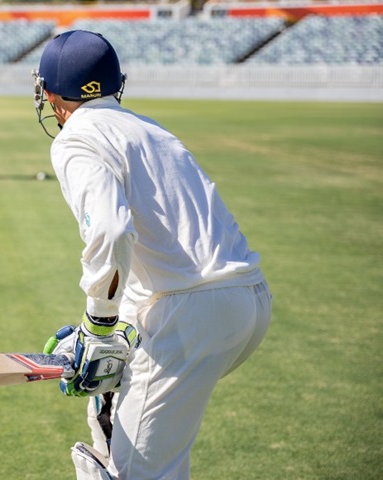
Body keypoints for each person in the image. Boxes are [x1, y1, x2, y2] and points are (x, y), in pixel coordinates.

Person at [33, 31, 272, 479]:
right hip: (249, 301)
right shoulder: (151, 128)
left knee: (140, 473)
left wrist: (99, 324)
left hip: (187, 315)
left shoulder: (75, 139)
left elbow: (110, 228)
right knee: (111, 417)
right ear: (114, 83)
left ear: (49, 94)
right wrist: (119, 330)